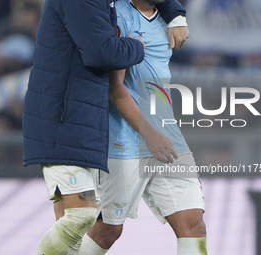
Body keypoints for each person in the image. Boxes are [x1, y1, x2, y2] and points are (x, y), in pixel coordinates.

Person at [22, 0, 189, 254]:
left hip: (82, 119)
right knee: (81, 217)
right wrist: (135, 46)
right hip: (63, 118)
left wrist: (175, 14)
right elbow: (101, 53)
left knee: (72, 230)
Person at [78, 0, 207, 254]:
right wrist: (149, 135)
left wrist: (177, 16)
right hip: (125, 139)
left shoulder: (167, 17)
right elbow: (115, 90)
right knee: (108, 231)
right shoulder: (117, 16)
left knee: (194, 226)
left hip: (168, 138)